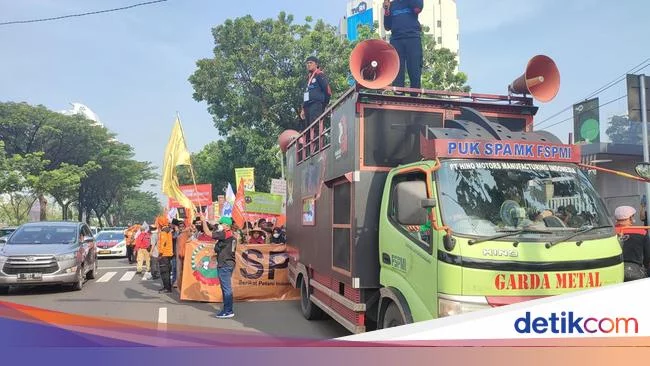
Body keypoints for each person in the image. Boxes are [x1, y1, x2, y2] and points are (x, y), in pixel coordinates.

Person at [200, 214, 237, 318]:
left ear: (227, 226)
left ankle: (228, 311)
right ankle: (227, 309)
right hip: (228, 263)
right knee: (226, 288)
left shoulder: (225, 234)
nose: (219, 225)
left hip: (225, 264)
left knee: (226, 288)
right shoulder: (231, 236)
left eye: (221, 223)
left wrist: (203, 221)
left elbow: (208, 233)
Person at [383, 0, 424, 92]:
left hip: (412, 38)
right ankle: (398, 94)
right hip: (396, 39)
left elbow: (418, 9)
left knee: (414, 67)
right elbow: (387, 26)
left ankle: (415, 95)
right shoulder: (392, 5)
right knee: (397, 68)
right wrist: (386, 9)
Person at [614, 205, 650, 281]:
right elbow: (648, 256)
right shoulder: (641, 232)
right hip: (634, 272)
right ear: (630, 218)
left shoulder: (610, 233)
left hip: (613, 271)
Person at [299, 56, 332, 132]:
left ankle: (317, 144)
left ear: (316, 64)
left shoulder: (319, 75)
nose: (309, 65)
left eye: (311, 63)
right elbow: (306, 94)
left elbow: (328, 91)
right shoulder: (308, 79)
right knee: (307, 129)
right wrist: (303, 109)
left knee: (315, 126)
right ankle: (309, 143)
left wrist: (325, 104)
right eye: (307, 63)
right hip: (307, 106)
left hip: (316, 104)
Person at [158, 223, 174, 293]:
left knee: (164, 272)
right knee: (167, 271)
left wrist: (160, 254)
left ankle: (167, 288)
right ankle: (168, 287)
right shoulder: (169, 231)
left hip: (164, 255)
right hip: (169, 254)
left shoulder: (163, 232)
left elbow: (163, 243)